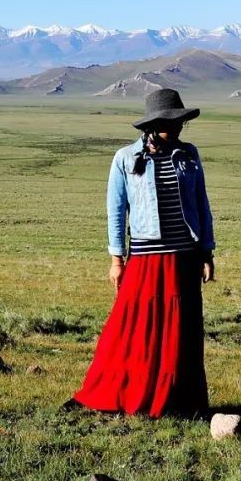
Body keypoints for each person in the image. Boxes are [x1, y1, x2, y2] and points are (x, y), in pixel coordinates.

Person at [62, 87, 215, 420]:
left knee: (182, 330)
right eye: (168, 122)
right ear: (153, 122)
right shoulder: (125, 159)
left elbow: (201, 204)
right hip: (145, 256)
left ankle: (179, 402)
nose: (174, 129)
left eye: (178, 122)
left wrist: (207, 251)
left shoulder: (189, 155)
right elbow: (116, 212)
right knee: (132, 327)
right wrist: (116, 260)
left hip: (184, 254)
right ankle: (125, 391)